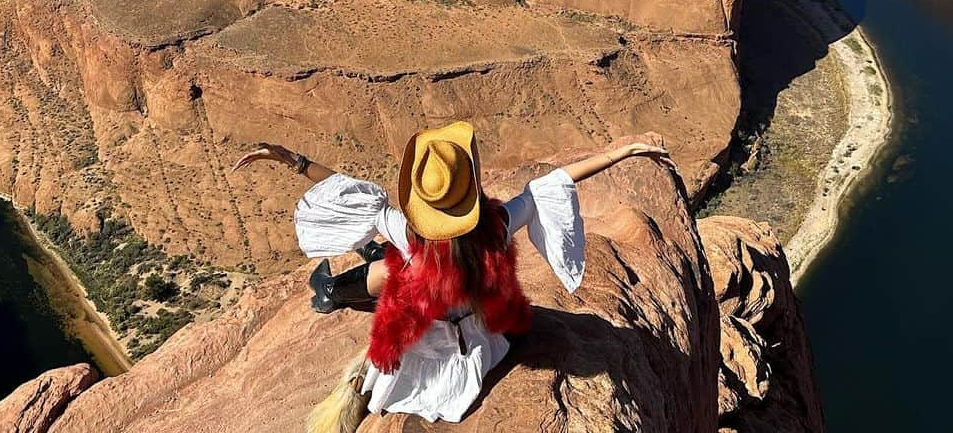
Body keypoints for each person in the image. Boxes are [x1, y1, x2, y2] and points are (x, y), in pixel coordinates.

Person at [232, 121, 667, 425]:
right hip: (479, 345)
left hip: (425, 344)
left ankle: (330, 288)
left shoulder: (407, 231)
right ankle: (338, 284)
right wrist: (619, 153)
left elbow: (350, 193)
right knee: (393, 255)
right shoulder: (496, 226)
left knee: (392, 261)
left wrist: (292, 160)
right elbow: (550, 184)